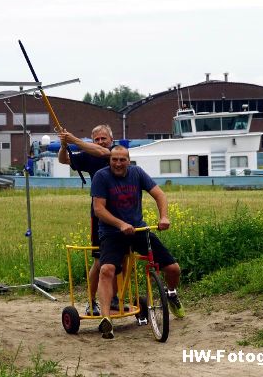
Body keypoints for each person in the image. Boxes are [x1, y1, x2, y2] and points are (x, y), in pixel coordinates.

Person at [91, 145, 185, 339]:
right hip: (112, 232)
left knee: (173, 268)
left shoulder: (137, 173)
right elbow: (99, 209)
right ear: (110, 161)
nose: (118, 163)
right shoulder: (101, 176)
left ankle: (172, 293)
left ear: (129, 160)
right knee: (106, 269)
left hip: (138, 229)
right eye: (114, 160)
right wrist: (120, 224)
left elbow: (159, 194)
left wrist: (164, 217)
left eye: (122, 160)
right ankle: (106, 319)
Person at [57, 125, 125, 316]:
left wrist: (75, 140)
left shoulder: (114, 153)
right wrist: (64, 145)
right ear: (92, 140)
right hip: (99, 214)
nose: (101, 142)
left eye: (104, 138)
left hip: (122, 212)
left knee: (123, 258)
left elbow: (103, 152)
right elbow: (64, 159)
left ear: (111, 140)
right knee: (99, 261)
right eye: (97, 139)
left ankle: (114, 298)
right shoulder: (88, 155)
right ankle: (91, 301)